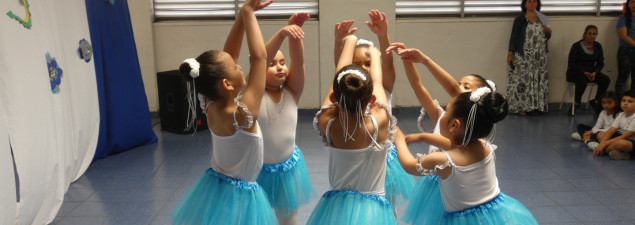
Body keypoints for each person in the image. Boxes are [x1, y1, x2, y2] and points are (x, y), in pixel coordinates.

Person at [170, 0, 277, 224]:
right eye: (237, 67)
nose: (240, 66)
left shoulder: (209, 102)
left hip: (217, 186)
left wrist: (242, 14)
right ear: (227, 84)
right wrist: (248, 12)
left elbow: (229, 55)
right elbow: (260, 58)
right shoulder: (243, 115)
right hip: (243, 197)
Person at [393, 89, 538, 225]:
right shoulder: (483, 145)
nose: (444, 113)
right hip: (495, 213)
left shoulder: (442, 160)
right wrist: (423, 137)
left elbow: (409, 164)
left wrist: (399, 139)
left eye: (447, 111)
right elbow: (453, 145)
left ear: (454, 125)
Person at [307, 35, 397, 225]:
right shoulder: (378, 122)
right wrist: (374, 55)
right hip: (373, 212)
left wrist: (349, 40)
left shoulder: (328, 123)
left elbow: (337, 80)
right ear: (371, 100)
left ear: (334, 98)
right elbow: (378, 83)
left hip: (337, 208)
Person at [332, 10, 414, 209]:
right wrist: (338, 43)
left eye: (368, 63)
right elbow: (339, 68)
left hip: (383, 160)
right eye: (356, 64)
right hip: (356, 158)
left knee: (386, 207)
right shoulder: (349, 91)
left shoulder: (383, 87)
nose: (364, 68)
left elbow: (387, 63)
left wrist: (383, 36)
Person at [256, 12, 316, 225]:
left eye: (282, 62)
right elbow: (259, 61)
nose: (280, 67)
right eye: (273, 64)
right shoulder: (253, 95)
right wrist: (281, 34)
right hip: (257, 169)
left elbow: (298, 62)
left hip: (287, 169)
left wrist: (295, 34)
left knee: (289, 218)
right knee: (257, 217)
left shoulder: (292, 92)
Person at [507, 0, 552, 116]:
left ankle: (535, 107)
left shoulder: (543, 18)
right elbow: (514, 36)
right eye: (529, 1)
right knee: (523, 80)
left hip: (539, 56)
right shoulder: (520, 19)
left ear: (537, 4)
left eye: (534, 1)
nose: (532, 3)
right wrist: (510, 53)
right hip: (523, 54)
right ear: (525, 4)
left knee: (537, 80)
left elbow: (546, 36)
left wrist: (548, 32)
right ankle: (522, 107)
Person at [566, 25, 610, 115]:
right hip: (575, 72)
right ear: (584, 34)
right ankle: (577, 103)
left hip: (591, 72)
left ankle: (597, 101)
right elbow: (571, 63)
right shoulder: (576, 46)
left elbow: (600, 63)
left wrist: (595, 72)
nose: (592, 36)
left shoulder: (598, 46)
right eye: (589, 33)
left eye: (594, 34)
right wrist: (583, 72)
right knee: (582, 81)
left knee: (605, 79)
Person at [593, 90, 635, 160]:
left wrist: (604, 144)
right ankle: (621, 153)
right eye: (623, 101)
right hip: (620, 137)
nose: (625, 103)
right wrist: (603, 143)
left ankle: (597, 148)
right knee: (600, 134)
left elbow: (625, 136)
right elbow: (611, 130)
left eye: (630, 101)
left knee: (622, 144)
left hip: (630, 141)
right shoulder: (622, 114)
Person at [617, 0, 635, 96]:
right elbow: (624, 36)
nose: (634, 4)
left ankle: (633, 105)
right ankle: (620, 104)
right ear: (628, 4)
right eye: (632, 2)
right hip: (626, 52)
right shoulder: (623, 18)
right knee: (623, 79)